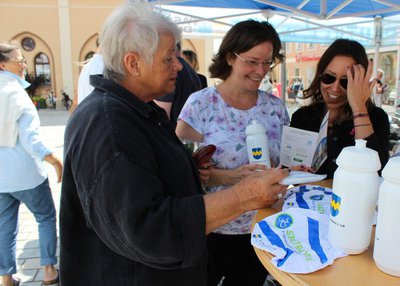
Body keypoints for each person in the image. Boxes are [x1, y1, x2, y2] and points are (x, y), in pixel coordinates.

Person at [59, 4, 289, 286]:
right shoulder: (108, 126)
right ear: (134, 63)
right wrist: (242, 196)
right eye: (169, 58)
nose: (180, 66)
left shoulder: (136, 112)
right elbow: (149, 229)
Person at [176, 20, 289, 286]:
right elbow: (182, 172)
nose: (260, 71)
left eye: (267, 63)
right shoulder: (200, 105)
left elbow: (285, 164)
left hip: (262, 227)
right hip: (214, 226)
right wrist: (231, 177)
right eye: (252, 62)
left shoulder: (276, 108)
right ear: (229, 56)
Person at [0, 42, 62, 286]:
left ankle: (6, 277)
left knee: (5, 226)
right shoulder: (15, 93)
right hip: (26, 173)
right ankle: (49, 271)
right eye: (20, 60)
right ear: (3, 64)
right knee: (45, 216)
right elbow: (30, 138)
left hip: (2, 177)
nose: (24, 65)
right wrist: (53, 158)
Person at [290, 39, 390, 179]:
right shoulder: (302, 117)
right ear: (320, 75)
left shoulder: (376, 118)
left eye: (346, 81)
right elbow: (291, 170)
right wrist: (293, 171)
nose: (335, 88)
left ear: (359, 83)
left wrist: (359, 108)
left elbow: (378, 171)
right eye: (328, 77)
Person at [154, 42, 202, 128]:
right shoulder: (189, 70)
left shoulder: (168, 70)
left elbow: (161, 119)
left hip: (174, 135)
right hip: (188, 134)